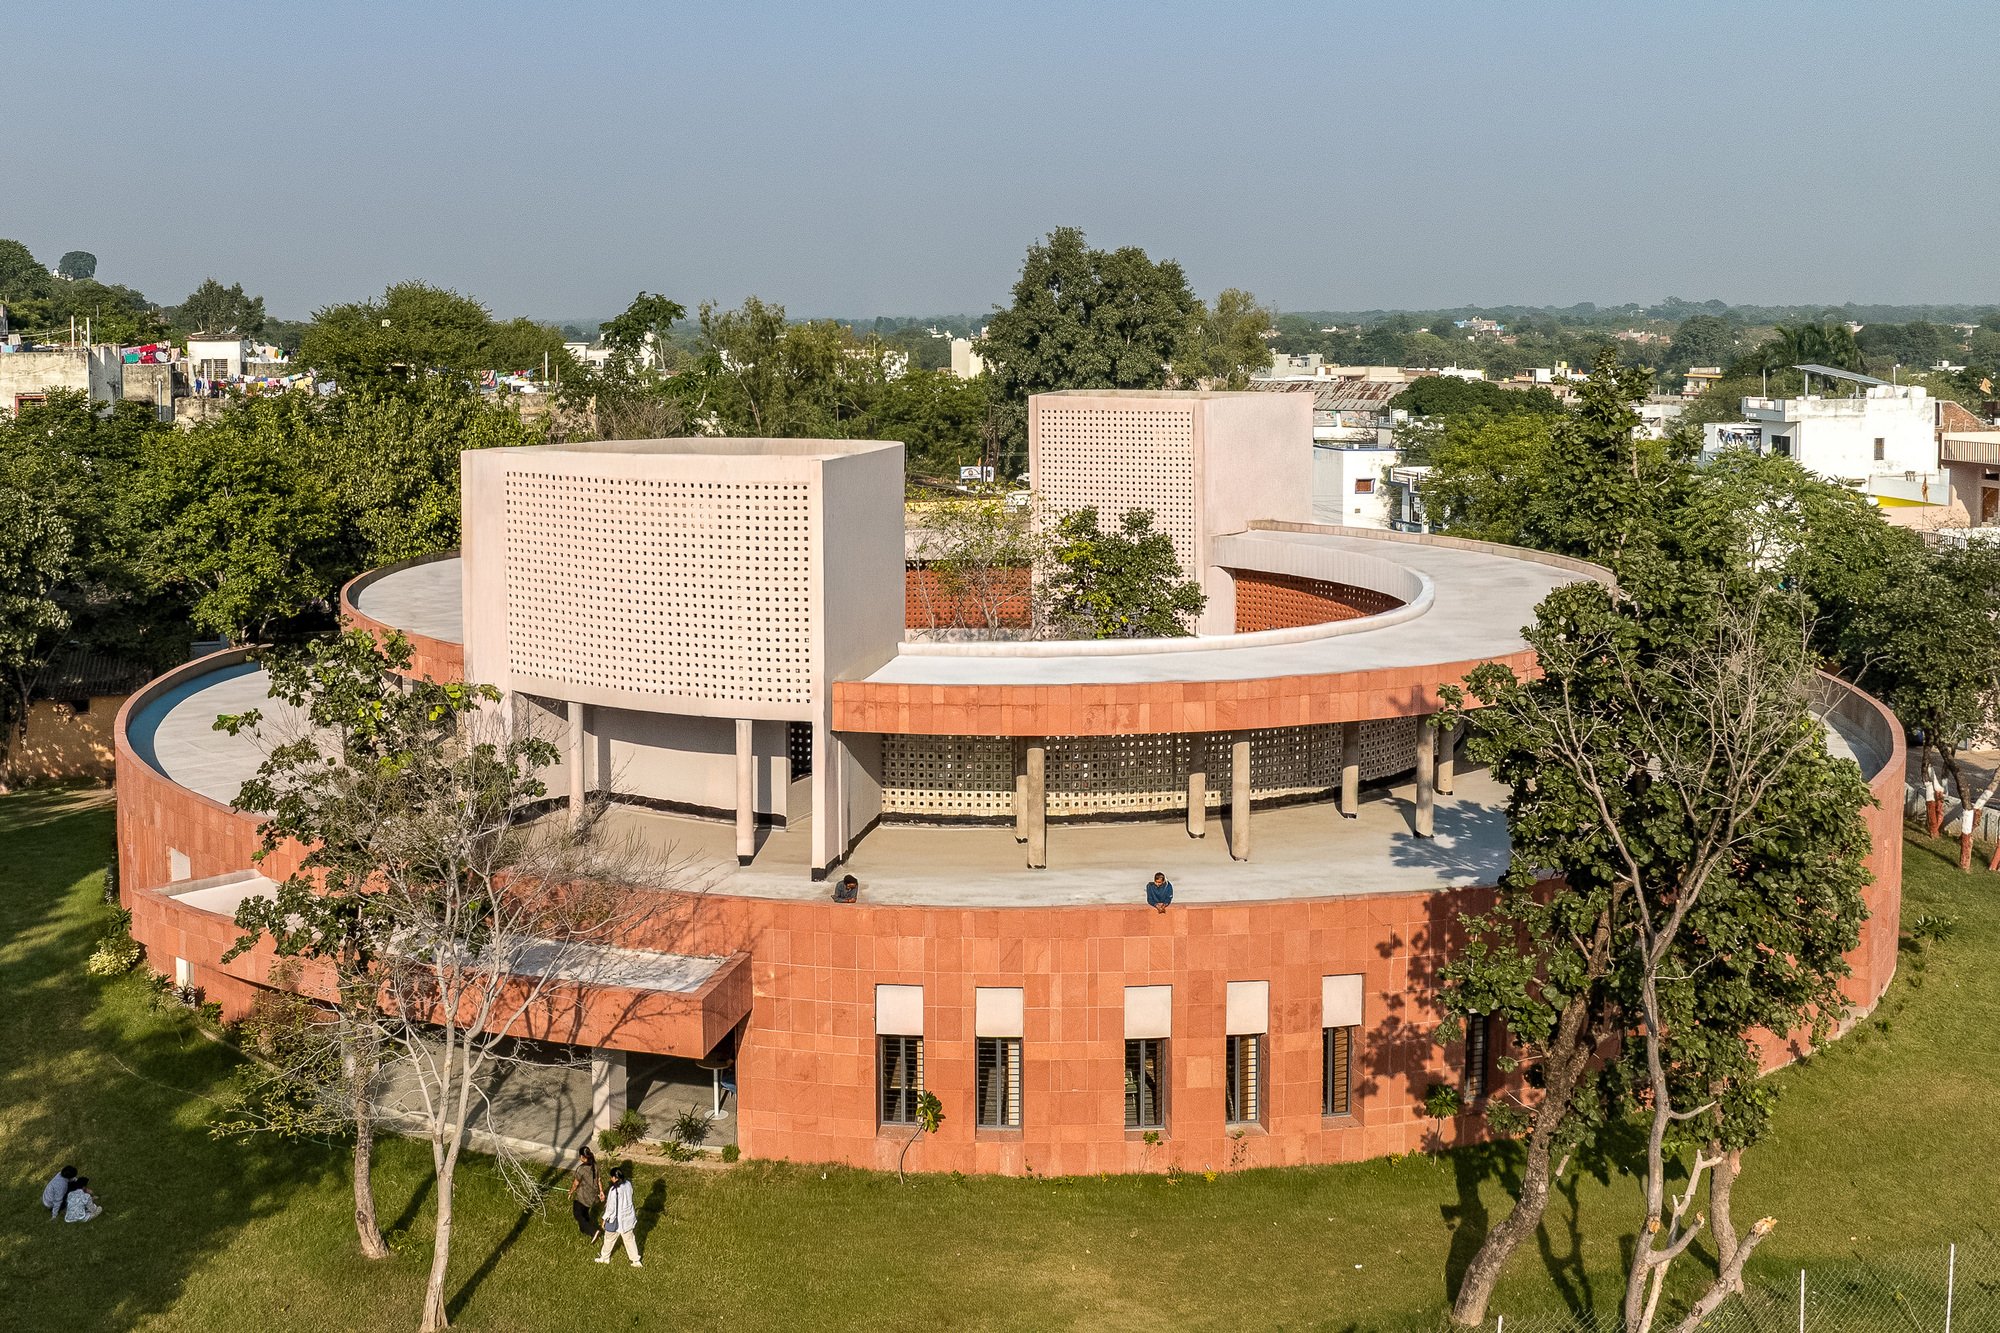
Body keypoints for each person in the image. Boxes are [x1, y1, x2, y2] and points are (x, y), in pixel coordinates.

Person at [594, 1166, 641, 1267]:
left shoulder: (614, 1190)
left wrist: (604, 1219)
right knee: (630, 1240)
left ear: (615, 1178)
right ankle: (636, 1260)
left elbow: (611, 1208)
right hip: (628, 1219)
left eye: (611, 1177)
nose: (611, 1179)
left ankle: (604, 1258)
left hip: (616, 1220)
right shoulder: (628, 1184)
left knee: (609, 1239)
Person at [568, 1145, 601, 1241]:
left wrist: (571, 1191)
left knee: (578, 1214)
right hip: (592, 1196)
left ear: (582, 1157)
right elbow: (599, 1180)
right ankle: (584, 1230)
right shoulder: (595, 1165)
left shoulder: (581, 1169)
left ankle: (593, 1231)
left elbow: (576, 1183)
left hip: (582, 1197)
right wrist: (601, 1191)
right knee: (585, 1213)